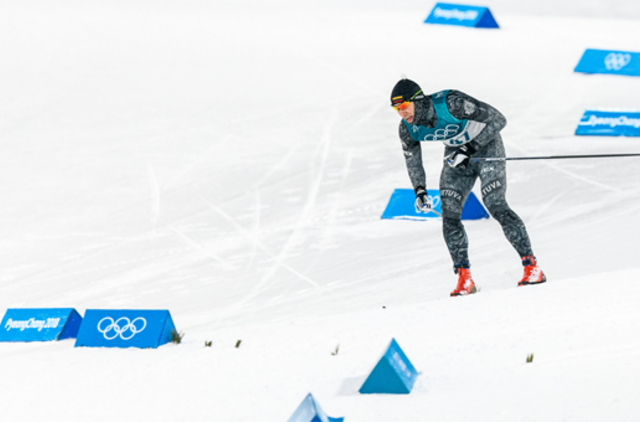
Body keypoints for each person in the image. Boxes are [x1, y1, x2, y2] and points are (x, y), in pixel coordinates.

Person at [391, 78, 546, 297]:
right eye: (396, 109)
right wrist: (420, 190)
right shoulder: (407, 128)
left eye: (404, 106)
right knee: (450, 215)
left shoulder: (452, 103)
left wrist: (469, 147)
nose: (402, 113)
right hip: (456, 156)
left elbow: (498, 120)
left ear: (417, 100)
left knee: (496, 205)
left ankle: (532, 268)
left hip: (486, 148)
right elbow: (412, 160)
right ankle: (465, 279)